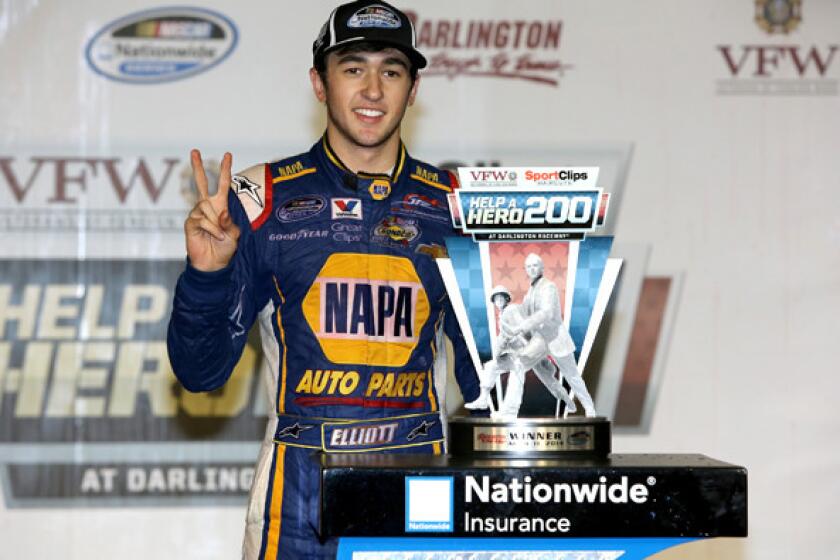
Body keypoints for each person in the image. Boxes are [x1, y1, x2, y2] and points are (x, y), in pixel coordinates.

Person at [166, 2, 481, 558]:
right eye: (353, 68)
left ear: (413, 90)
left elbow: (490, 391)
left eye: (392, 70)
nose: (373, 90)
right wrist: (206, 275)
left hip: (421, 498)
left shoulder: (453, 205)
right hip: (296, 507)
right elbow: (199, 372)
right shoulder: (259, 200)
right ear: (319, 83)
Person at [465, 285, 575, 419]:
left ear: (506, 299)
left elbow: (524, 328)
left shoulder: (511, 310)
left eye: (501, 297)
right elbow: (504, 338)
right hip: (517, 353)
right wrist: (500, 350)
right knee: (491, 366)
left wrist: (534, 348)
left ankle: (510, 412)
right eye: (496, 298)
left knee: (532, 374)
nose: (498, 301)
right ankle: (483, 399)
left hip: (530, 352)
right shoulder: (503, 315)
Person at [509, 253, 597, 417]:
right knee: (520, 364)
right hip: (540, 339)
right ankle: (565, 400)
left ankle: (589, 407)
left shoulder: (548, 287)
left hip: (556, 337)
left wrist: (523, 326)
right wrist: (508, 310)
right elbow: (523, 310)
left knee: (572, 376)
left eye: (535, 265)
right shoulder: (531, 291)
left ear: (542, 268)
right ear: (526, 271)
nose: (532, 269)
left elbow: (546, 312)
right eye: (528, 266)